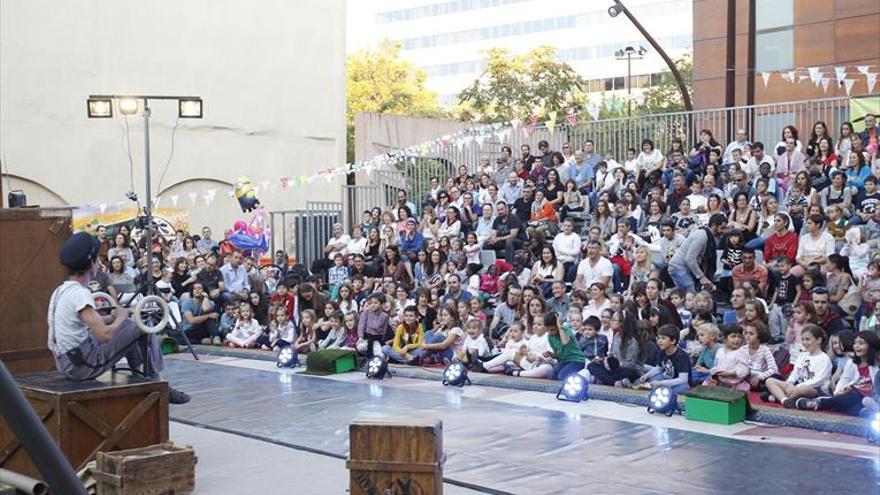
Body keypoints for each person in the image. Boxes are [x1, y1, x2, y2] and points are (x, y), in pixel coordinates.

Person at [47, 232, 190, 403]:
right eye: (97, 260)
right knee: (143, 324)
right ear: (92, 263)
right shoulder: (80, 294)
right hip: (82, 366)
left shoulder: (61, 290)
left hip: (65, 363)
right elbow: (104, 335)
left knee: (129, 326)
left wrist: (118, 314)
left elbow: (91, 324)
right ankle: (157, 384)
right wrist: (121, 317)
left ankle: (143, 379)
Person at [764, 324, 832, 408]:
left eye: (807, 339)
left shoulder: (824, 358)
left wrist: (797, 387)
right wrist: (790, 383)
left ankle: (777, 396)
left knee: (805, 389)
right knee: (769, 381)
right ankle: (785, 400)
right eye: (802, 339)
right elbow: (795, 372)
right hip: (796, 386)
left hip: (814, 389)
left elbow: (818, 380)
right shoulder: (802, 355)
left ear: (818, 340)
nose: (804, 342)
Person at [668, 213, 728, 293]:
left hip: (685, 268)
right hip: (679, 267)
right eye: (722, 228)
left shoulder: (709, 237)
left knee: (686, 295)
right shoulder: (702, 236)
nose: (723, 231)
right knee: (692, 293)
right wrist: (701, 277)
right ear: (714, 225)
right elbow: (690, 259)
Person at [638, 324, 692, 394]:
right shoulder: (662, 351)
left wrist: (662, 383)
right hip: (665, 377)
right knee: (643, 379)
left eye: (663, 338)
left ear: (673, 341)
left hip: (678, 383)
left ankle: (659, 391)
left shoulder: (682, 356)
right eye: (658, 338)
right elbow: (659, 368)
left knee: (684, 387)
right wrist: (647, 375)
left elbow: (683, 379)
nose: (659, 341)